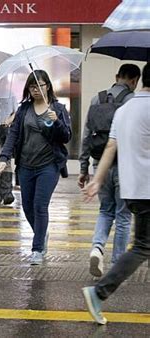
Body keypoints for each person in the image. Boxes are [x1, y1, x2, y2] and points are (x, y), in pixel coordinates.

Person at [82, 63, 150, 325]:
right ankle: (99, 292)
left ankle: (99, 292)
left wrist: (98, 180)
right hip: (146, 189)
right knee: (143, 246)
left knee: (143, 244)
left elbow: (111, 144)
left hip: (133, 189)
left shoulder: (125, 109)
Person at [0, 70, 72, 265]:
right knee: (28, 208)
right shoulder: (23, 110)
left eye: (40, 85)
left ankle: (37, 249)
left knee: (40, 205)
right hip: (25, 166)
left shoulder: (58, 108)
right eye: (32, 86)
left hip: (48, 165)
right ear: (28, 89)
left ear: (47, 86)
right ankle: (41, 234)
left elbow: (66, 137)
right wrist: (3, 157)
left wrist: (56, 122)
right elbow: (13, 135)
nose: (36, 89)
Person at [78, 64, 140, 277]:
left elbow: (87, 135)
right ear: (135, 81)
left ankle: (97, 247)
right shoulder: (133, 101)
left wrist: (84, 168)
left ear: (116, 77)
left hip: (99, 165)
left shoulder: (98, 99)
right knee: (123, 216)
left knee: (105, 211)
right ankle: (117, 265)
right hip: (124, 166)